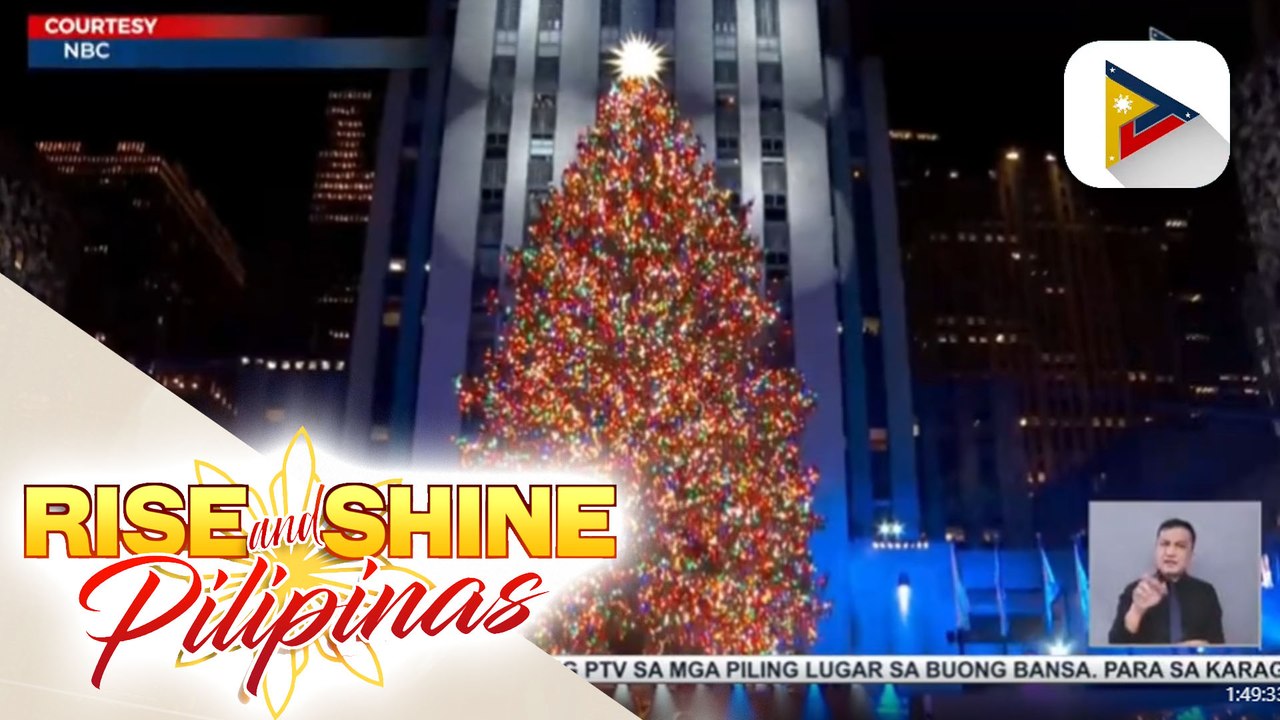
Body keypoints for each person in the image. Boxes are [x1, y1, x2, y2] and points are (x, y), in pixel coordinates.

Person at [1107, 518, 1224, 645]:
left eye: (1180, 546)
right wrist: (1137, 610)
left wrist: (1204, 647)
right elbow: (1115, 645)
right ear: (1156, 550)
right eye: (1164, 544)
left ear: (1190, 556)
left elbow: (1219, 645)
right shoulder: (1137, 590)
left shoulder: (1206, 593)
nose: (1170, 552)